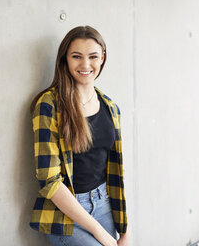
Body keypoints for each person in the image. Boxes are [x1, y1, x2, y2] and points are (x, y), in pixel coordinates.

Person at [29, 25, 129, 246]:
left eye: (93, 56)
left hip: (104, 204)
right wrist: (100, 232)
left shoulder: (111, 107)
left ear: (102, 58)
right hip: (65, 211)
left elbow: (115, 173)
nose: (85, 65)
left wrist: (124, 231)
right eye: (76, 56)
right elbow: (49, 181)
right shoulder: (49, 105)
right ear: (65, 58)